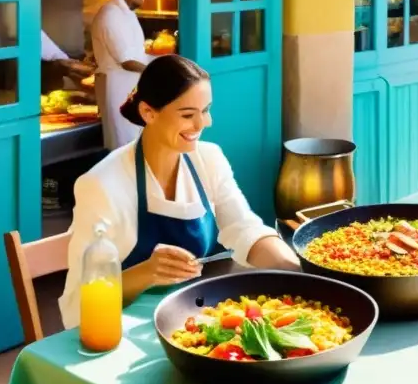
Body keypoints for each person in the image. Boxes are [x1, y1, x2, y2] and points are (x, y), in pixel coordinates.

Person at [59, 54, 298, 328]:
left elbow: (244, 229)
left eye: (206, 110)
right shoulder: (102, 184)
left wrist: (300, 273)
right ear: (148, 113)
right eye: (188, 115)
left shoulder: (208, 159)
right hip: (122, 329)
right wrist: (146, 273)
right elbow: (82, 300)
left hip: (192, 321)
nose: (202, 124)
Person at [91, 0, 152, 150]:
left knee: (137, 151)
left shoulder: (127, 14)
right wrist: (156, 71)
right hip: (116, 92)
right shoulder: (110, 15)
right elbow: (127, 61)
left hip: (132, 91)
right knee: (122, 152)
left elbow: (138, 54)